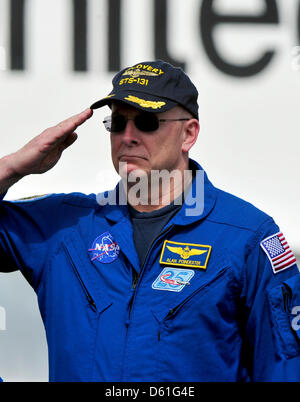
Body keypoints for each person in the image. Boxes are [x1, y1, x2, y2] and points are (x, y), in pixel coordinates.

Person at [0, 60, 300, 382]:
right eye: (117, 122)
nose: (127, 137)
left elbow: (284, 368)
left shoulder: (247, 236)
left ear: (189, 133)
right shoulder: (65, 227)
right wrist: (12, 167)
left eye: (146, 122)